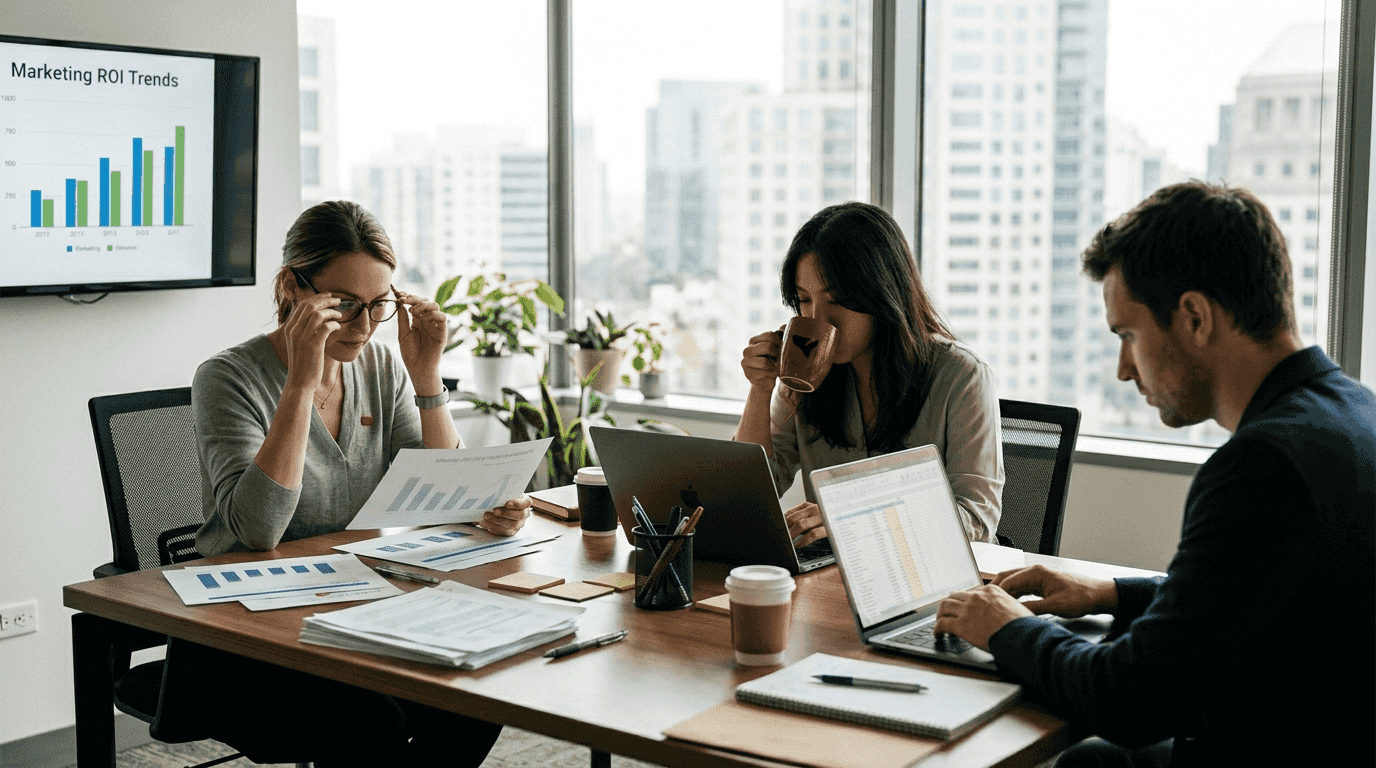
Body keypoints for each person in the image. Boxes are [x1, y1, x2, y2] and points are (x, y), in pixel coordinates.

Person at [933, 182, 1375, 767]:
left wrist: (1005, 628)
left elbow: (1131, 702)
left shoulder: (1263, 465)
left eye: (1127, 335)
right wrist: (1113, 593)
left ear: (1193, 317)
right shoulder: (1351, 412)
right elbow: (1247, 596)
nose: (1122, 369)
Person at [178, 200, 530, 766]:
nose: (364, 328)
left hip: (356, 605)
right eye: (344, 306)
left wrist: (426, 377)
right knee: (370, 722)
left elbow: (448, 494)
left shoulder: (381, 367)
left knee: (479, 691)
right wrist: (299, 383)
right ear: (293, 288)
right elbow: (258, 532)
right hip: (244, 630)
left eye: (377, 307)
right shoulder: (227, 376)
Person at [735, 201, 1003, 545]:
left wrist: (848, 519)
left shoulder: (961, 376)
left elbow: (977, 522)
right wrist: (760, 390)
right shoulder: (805, 376)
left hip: (940, 583)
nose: (819, 319)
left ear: (882, 293)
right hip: (838, 576)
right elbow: (749, 496)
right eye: (804, 300)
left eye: (836, 300)